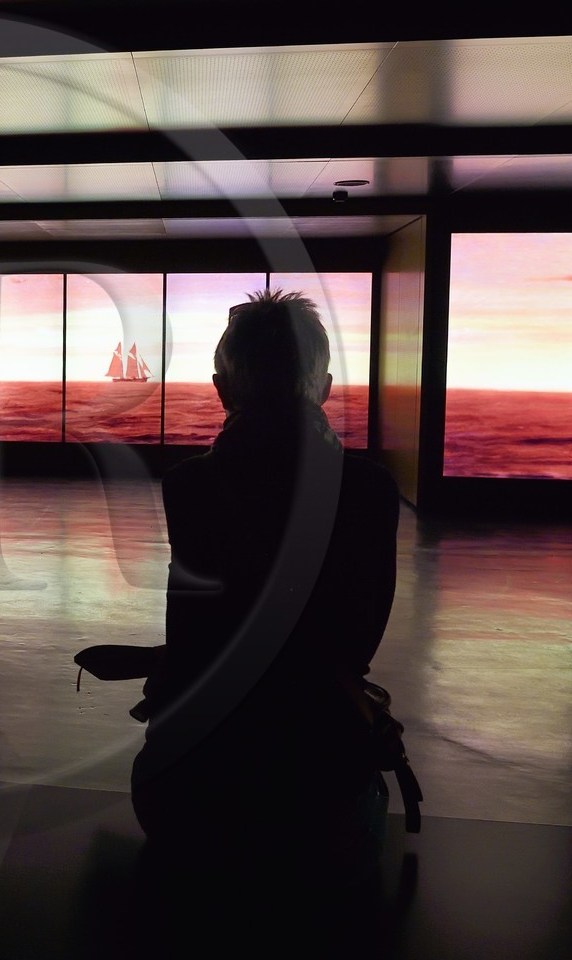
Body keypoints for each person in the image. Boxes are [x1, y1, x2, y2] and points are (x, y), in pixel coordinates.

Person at [130, 287, 401, 886]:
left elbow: (200, 635)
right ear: (324, 388)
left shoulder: (189, 487)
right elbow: (356, 641)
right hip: (326, 815)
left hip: (188, 807)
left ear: (222, 389)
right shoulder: (372, 492)